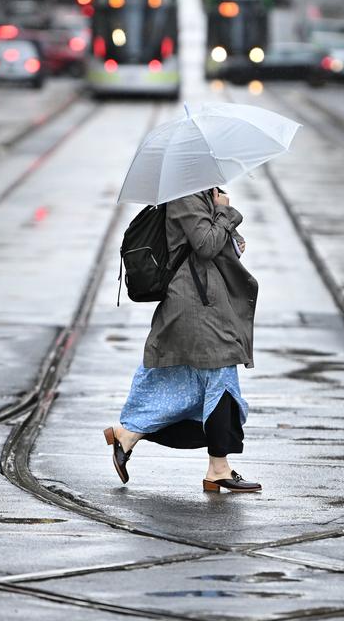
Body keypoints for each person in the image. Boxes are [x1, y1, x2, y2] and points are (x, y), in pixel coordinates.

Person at [104, 187, 261, 493]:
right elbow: (204, 245)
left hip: (204, 301)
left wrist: (229, 231)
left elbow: (212, 243)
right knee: (221, 373)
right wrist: (225, 212)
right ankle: (217, 468)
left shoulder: (199, 192)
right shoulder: (185, 194)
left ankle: (129, 434)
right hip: (195, 304)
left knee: (202, 378)